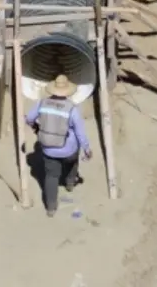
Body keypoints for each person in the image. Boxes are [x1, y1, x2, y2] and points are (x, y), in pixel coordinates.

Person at [25, 74, 92, 218]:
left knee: (51, 176)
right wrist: (86, 148)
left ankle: (51, 207)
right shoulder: (72, 109)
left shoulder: (41, 103)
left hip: (48, 150)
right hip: (69, 150)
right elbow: (80, 133)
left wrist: (35, 126)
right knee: (72, 161)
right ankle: (69, 183)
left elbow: (29, 118)